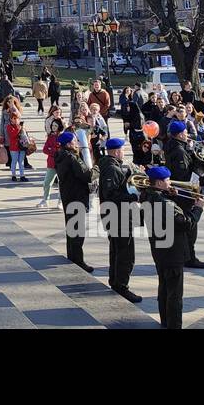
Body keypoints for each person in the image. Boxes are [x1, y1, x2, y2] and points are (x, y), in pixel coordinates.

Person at [141, 165, 191, 326]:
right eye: (167, 180)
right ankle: (174, 324)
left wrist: (175, 197)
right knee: (175, 294)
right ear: (159, 183)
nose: (170, 183)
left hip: (159, 249)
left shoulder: (147, 196)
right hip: (172, 252)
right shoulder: (163, 202)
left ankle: (165, 321)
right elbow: (184, 224)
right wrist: (197, 209)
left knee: (164, 288)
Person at [99, 139, 141, 303]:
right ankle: (122, 285)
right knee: (125, 254)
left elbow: (118, 187)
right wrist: (133, 196)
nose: (124, 152)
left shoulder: (112, 166)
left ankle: (115, 282)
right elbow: (112, 194)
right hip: (118, 216)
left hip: (116, 216)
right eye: (123, 150)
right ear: (116, 151)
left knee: (116, 250)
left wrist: (130, 175)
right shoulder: (111, 168)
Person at [161, 121, 204, 269]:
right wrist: (199, 174)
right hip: (184, 193)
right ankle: (189, 257)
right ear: (180, 134)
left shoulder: (174, 146)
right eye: (186, 132)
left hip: (179, 192)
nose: (188, 134)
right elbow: (183, 176)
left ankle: (186, 255)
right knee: (190, 227)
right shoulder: (179, 151)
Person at [55, 131, 94, 272]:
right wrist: (95, 169)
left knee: (71, 227)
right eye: (75, 141)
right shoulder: (72, 158)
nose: (77, 143)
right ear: (69, 144)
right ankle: (78, 260)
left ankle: (71, 255)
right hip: (77, 196)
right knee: (78, 230)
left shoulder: (60, 156)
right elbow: (86, 175)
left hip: (67, 196)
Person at [37, 106, 65, 208]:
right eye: (52, 125)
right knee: (47, 183)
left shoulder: (63, 137)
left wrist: (52, 150)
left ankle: (61, 201)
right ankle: (45, 200)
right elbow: (45, 149)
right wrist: (54, 151)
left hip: (62, 163)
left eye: (55, 126)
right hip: (51, 163)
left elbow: (63, 150)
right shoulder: (50, 137)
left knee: (62, 184)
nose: (53, 127)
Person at [4, 107, 29, 182]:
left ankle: (22, 175)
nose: (16, 120)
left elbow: (25, 135)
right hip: (14, 147)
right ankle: (13, 175)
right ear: (11, 119)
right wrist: (19, 128)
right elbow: (12, 135)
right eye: (14, 118)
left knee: (21, 162)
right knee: (14, 161)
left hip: (22, 146)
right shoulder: (9, 126)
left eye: (17, 118)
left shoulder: (21, 126)